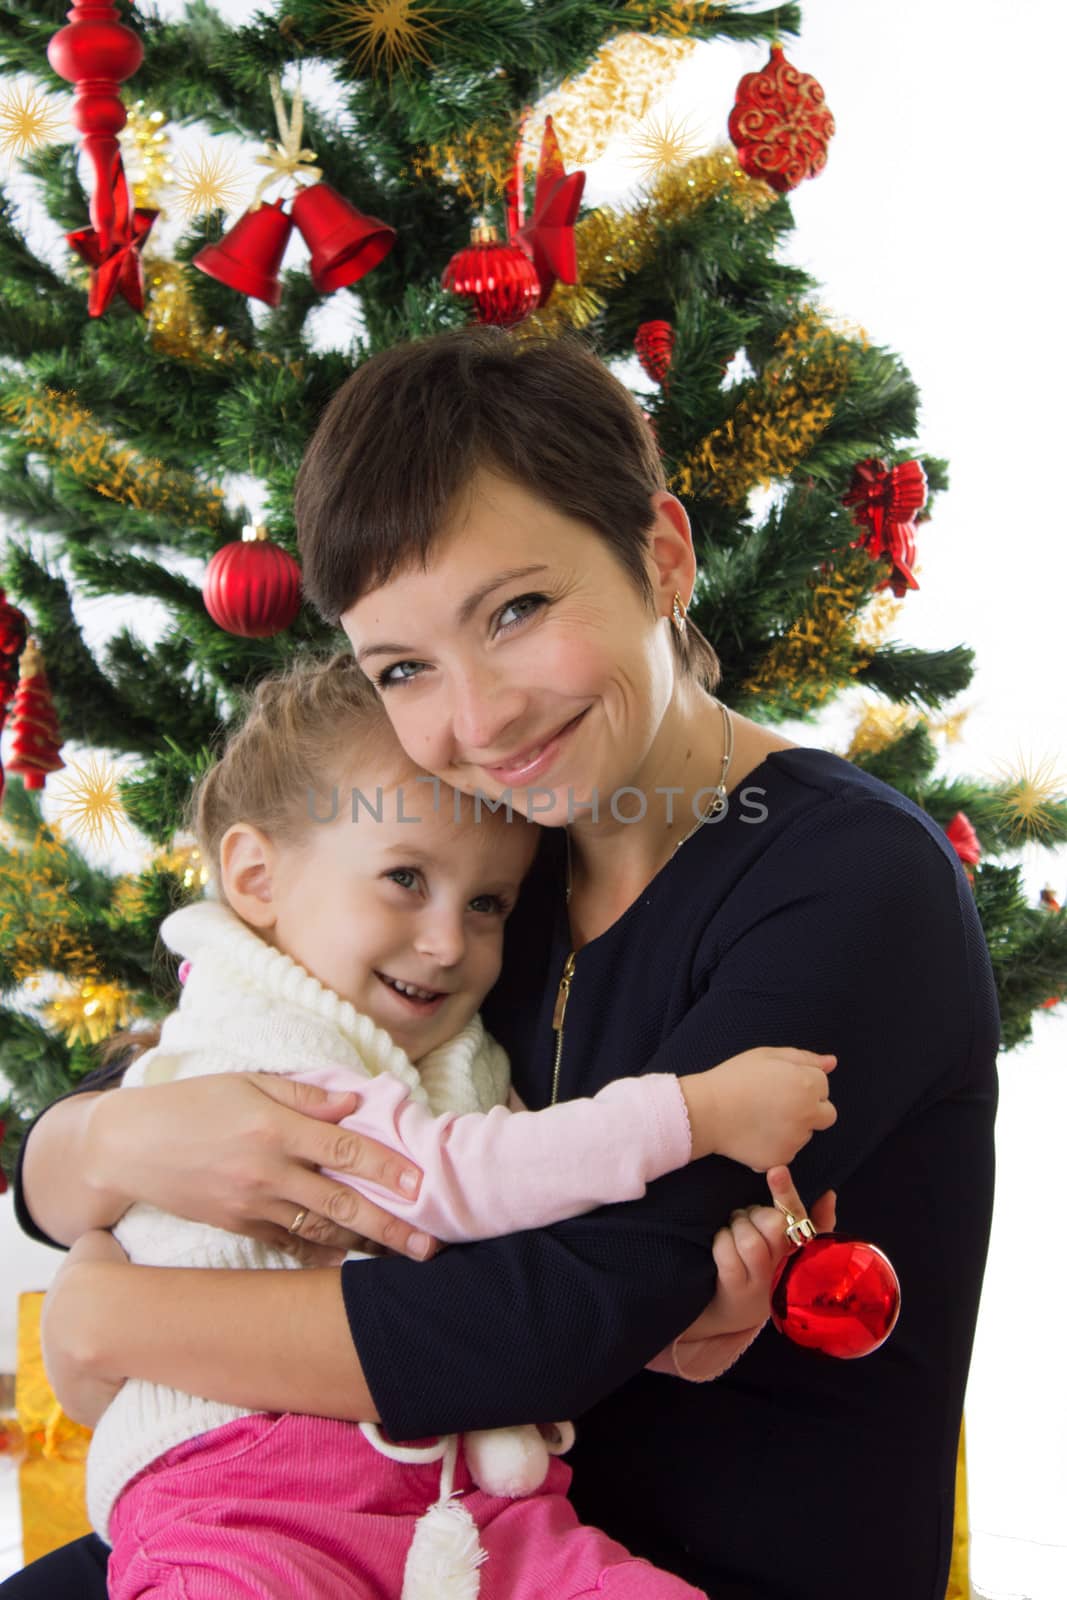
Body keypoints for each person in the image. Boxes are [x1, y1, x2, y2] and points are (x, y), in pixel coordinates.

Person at [7, 329, 999, 1600]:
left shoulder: (850, 880)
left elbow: (556, 1311)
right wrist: (95, 1150)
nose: (476, 723)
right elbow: (193, 1060)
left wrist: (107, 1322)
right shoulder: (487, 884)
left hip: (672, 1561)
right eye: (404, 669)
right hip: (387, 1521)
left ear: (661, 557)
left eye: (517, 611)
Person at [80, 648, 836, 1599]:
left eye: (487, 904)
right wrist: (697, 1110)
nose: (447, 944)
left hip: (463, 1500)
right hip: (239, 1484)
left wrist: (684, 1322)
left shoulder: (457, 1051)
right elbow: (444, 1183)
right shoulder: (249, 1033)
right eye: (404, 879)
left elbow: (538, 1256)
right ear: (257, 877)